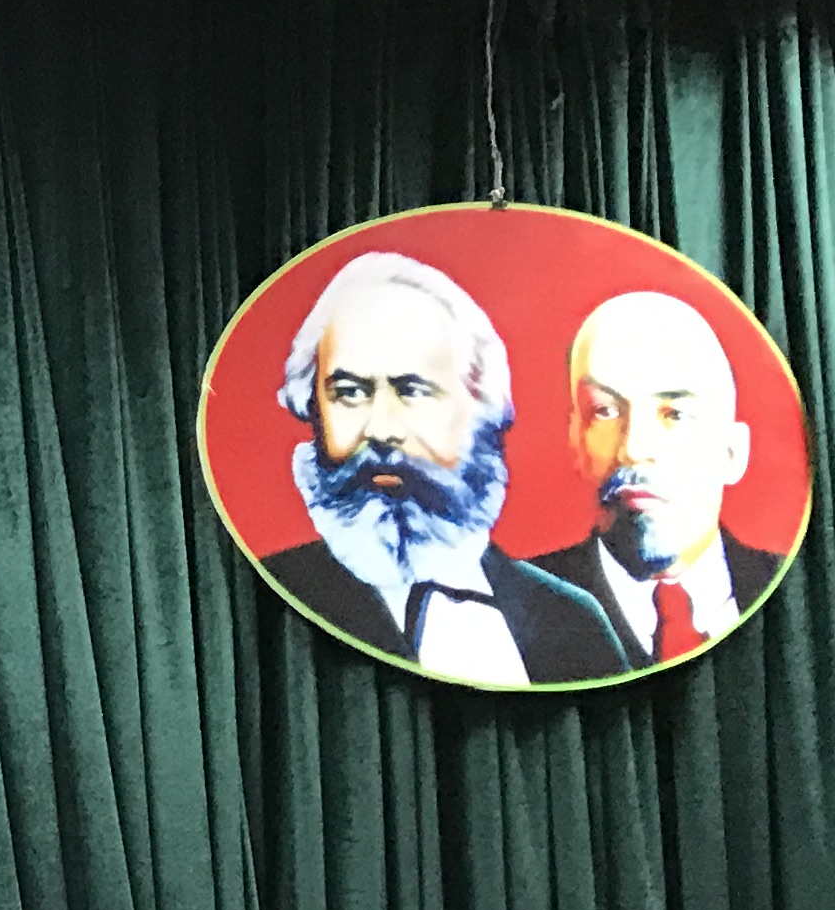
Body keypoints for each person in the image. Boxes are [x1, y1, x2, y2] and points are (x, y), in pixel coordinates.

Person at [253, 248, 626, 684]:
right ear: (313, 408)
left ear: (480, 408)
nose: (382, 429)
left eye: (413, 391)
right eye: (350, 393)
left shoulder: (571, 624)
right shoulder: (274, 601)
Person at [522, 286, 784, 663]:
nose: (634, 448)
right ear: (575, 440)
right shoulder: (515, 611)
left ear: (732, 453)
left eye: (674, 414)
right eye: (605, 411)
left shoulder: (803, 593)